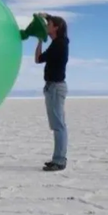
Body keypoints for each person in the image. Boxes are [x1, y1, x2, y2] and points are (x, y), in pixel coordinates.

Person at [34, 13, 69, 172]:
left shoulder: (60, 43)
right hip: (51, 87)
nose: (46, 26)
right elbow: (38, 59)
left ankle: (60, 161)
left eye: (49, 24)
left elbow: (40, 58)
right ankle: (58, 159)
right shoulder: (56, 43)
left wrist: (43, 36)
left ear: (56, 28)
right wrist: (41, 39)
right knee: (57, 125)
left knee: (59, 126)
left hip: (55, 87)